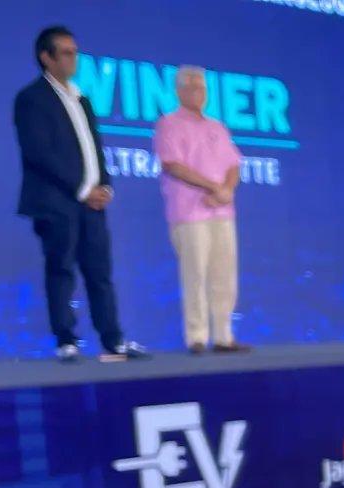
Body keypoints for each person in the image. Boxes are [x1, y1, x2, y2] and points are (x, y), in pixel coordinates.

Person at [14, 26, 147, 361]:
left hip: (92, 205)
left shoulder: (81, 98)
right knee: (61, 269)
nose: (75, 59)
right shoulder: (31, 99)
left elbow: (94, 149)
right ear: (46, 57)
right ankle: (66, 340)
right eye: (67, 52)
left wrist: (104, 185)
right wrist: (82, 188)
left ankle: (113, 340)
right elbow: (39, 153)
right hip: (56, 202)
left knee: (100, 273)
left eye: (75, 52)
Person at [153, 67, 250, 355]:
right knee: (195, 274)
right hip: (190, 213)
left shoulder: (217, 127)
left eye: (203, 88)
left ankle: (223, 336)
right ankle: (196, 336)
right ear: (180, 91)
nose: (199, 93)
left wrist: (226, 190)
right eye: (193, 87)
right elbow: (173, 165)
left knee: (225, 274)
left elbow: (234, 165)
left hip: (222, 210)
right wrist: (212, 187)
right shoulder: (169, 124)